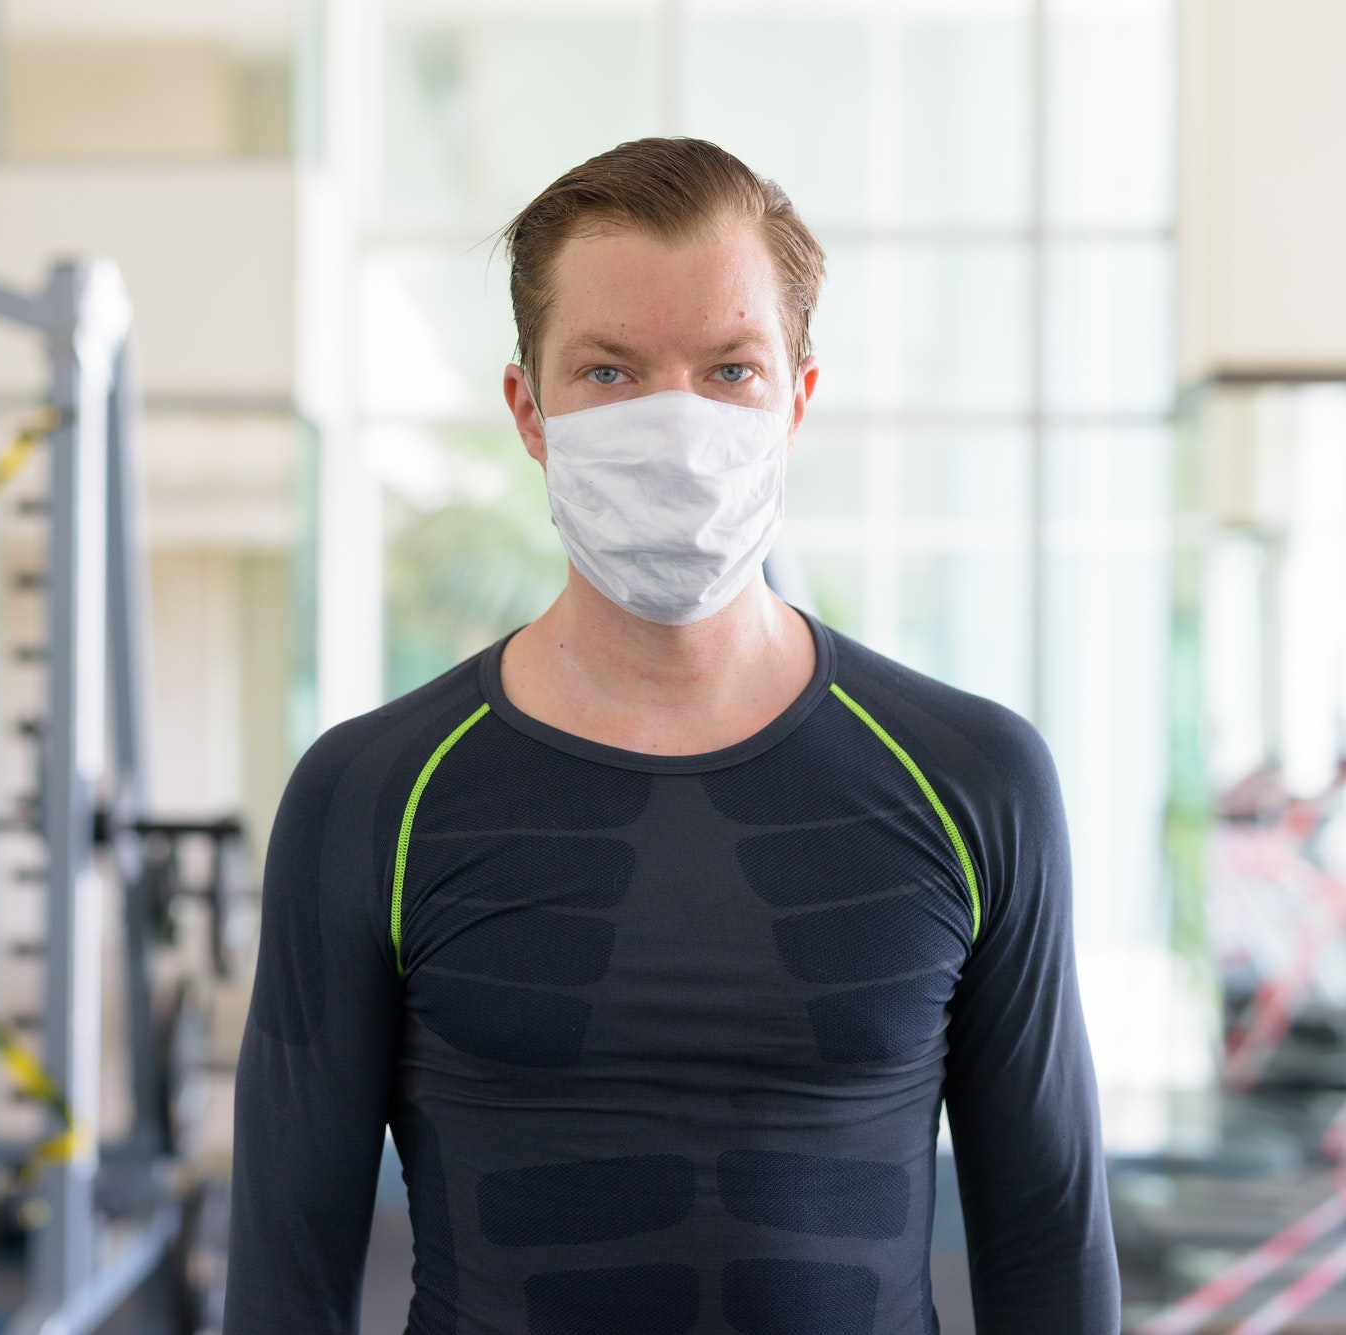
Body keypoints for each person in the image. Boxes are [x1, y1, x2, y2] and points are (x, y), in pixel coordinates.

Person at [227, 137, 1118, 1334]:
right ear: (526, 409)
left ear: (795, 399)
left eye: (728, 370)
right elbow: (283, 1282)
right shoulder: (371, 794)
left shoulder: (973, 781)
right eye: (607, 373)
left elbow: (1049, 1255)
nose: (673, 425)